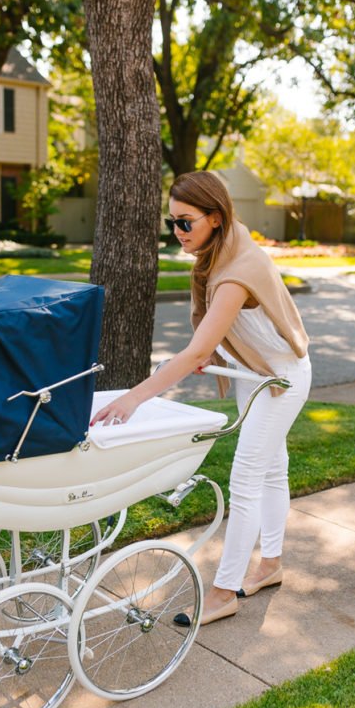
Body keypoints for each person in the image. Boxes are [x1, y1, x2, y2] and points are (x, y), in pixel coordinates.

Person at [91, 171, 311, 625]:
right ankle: (270, 564)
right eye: (172, 222)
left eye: (185, 222)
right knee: (271, 469)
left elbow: (193, 350)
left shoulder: (235, 272)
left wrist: (134, 398)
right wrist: (211, 347)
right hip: (255, 372)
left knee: (247, 477)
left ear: (215, 217)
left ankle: (225, 590)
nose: (177, 232)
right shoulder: (222, 253)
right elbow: (209, 339)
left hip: (282, 378)